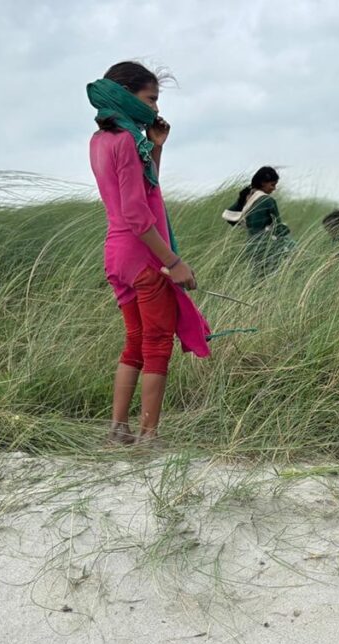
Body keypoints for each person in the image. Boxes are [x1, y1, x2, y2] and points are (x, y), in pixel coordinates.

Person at [87, 62, 210, 444]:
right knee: (156, 345)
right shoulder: (126, 140)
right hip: (142, 255)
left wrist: (156, 147)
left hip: (116, 254)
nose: (156, 108)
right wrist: (174, 262)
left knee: (135, 341)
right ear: (126, 95)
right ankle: (148, 436)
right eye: (151, 99)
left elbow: (145, 186)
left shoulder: (101, 140)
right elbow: (138, 216)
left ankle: (118, 429)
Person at [223, 166, 295, 276]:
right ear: (263, 183)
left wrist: (247, 225)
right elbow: (278, 227)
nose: (274, 188)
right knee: (273, 275)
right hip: (268, 245)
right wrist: (286, 230)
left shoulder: (246, 197)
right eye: (272, 185)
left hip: (251, 245)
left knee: (257, 276)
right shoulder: (268, 200)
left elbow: (229, 216)